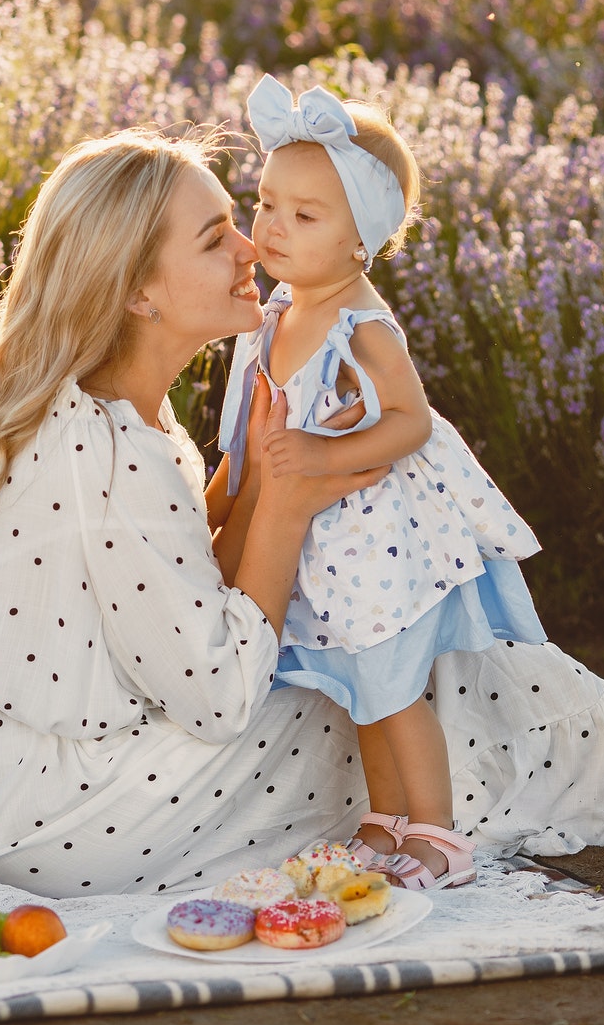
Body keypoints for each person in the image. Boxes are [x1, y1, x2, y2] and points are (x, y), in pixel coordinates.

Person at [0, 123, 604, 900]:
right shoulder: (109, 453)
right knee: (415, 665)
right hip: (49, 823)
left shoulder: (111, 416)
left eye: (243, 219)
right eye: (216, 236)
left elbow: (185, 598)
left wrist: (262, 485)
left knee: (386, 652)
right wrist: (290, 505)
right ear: (137, 289)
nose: (252, 246)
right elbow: (219, 692)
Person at [205, 76, 545, 890]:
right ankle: (381, 824)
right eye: (266, 204)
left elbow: (411, 422)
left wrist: (320, 459)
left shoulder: (362, 325)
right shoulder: (281, 312)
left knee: (396, 694)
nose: (271, 227)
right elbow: (253, 428)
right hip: (322, 551)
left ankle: (437, 836)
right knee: (359, 693)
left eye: (306, 215)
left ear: (363, 239)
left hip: (378, 546)